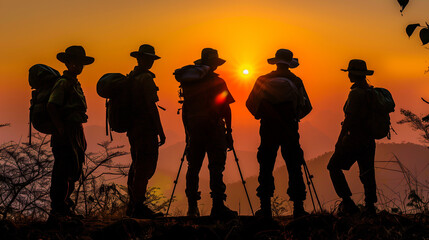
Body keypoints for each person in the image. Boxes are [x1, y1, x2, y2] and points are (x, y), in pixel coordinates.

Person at [248, 49, 309, 219]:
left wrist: (262, 115)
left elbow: (250, 103)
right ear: (289, 63)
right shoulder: (296, 81)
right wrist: (295, 117)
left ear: (275, 62)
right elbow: (307, 106)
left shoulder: (262, 80)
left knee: (266, 165)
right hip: (290, 129)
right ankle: (298, 208)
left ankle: (265, 208)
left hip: (268, 129)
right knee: (294, 166)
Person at [181, 48, 237, 219]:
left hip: (195, 130)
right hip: (214, 130)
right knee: (216, 167)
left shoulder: (190, 83)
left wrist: (187, 133)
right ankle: (218, 206)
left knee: (193, 167)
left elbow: (185, 108)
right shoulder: (218, 82)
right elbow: (225, 108)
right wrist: (229, 132)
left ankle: (192, 207)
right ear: (213, 63)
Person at [47, 45, 94, 219]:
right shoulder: (63, 83)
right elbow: (51, 105)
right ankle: (58, 209)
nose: (78, 66)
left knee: (73, 168)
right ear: (67, 63)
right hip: (66, 132)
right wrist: (60, 128)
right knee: (63, 170)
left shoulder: (74, 83)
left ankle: (65, 207)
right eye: (74, 62)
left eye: (80, 63)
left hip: (75, 130)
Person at [327, 59, 377, 216]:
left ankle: (348, 203)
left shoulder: (355, 93)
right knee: (367, 171)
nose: (348, 74)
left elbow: (349, 120)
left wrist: (339, 140)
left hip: (354, 139)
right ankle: (370, 207)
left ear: (353, 74)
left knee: (333, 166)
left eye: (349, 72)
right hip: (369, 140)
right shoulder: (371, 91)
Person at [126, 44, 166, 219]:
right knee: (144, 167)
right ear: (140, 59)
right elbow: (151, 106)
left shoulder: (131, 78)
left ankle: (133, 205)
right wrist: (160, 130)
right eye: (148, 58)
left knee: (136, 164)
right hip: (145, 129)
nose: (150, 62)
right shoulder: (146, 79)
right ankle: (138, 207)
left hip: (133, 128)